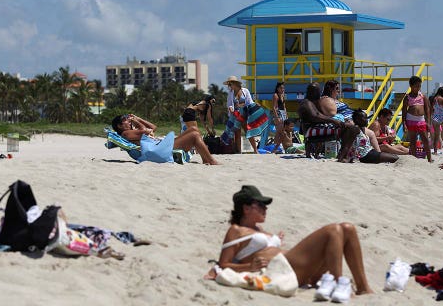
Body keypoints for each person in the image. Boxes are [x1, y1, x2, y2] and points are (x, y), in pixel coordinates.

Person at [218, 185, 373, 303]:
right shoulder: (236, 230)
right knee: (333, 230)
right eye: (261, 205)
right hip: (283, 270)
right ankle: (339, 283)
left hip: (297, 269)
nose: (265, 209)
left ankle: (363, 288)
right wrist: (248, 267)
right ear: (245, 208)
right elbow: (223, 264)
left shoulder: (258, 229)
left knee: (348, 228)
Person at [111, 114, 219, 165]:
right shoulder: (125, 133)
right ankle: (211, 160)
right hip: (159, 150)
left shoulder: (131, 131)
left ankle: (206, 159)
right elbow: (145, 131)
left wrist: (138, 118)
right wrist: (136, 122)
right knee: (194, 135)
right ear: (119, 126)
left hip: (159, 146)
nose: (128, 120)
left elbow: (153, 128)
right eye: (125, 119)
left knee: (193, 129)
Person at [297, 82, 358, 162]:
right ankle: (343, 156)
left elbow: (319, 115)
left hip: (318, 126)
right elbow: (316, 116)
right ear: (312, 92)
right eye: (317, 91)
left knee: (351, 127)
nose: (319, 93)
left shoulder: (313, 102)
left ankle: (343, 154)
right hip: (311, 130)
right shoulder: (306, 103)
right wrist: (333, 120)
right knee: (352, 129)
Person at [222, 76, 270, 153]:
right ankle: (239, 151)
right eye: (229, 85)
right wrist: (231, 108)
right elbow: (229, 104)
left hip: (245, 113)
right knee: (237, 133)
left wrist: (255, 105)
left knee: (248, 131)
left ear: (235, 84)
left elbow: (249, 102)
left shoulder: (245, 91)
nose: (229, 86)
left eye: (230, 84)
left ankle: (255, 150)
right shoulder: (230, 93)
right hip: (236, 115)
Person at [402, 76, 432, 162]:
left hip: (421, 120)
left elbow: (427, 110)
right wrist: (403, 124)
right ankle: (414, 159)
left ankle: (430, 159)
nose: (418, 88)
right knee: (413, 141)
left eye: (419, 86)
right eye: (416, 86)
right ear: (411, 86)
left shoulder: (423, 96)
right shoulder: (407, 97)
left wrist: (428, 123)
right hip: (410, 120)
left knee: (425, 140)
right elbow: (404, 111)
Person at [270, 82, 288, 153]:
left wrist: (286, 114)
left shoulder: (282, 95)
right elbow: (274, 107)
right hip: (278, 113)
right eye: (281, 88)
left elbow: (284, 106)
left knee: (282, 131)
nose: (283, 89)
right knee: (279, 131)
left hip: (283, 113)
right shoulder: (275, 95)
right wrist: (276, 117)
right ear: (277, 89)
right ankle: (275, 147)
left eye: (283, 88)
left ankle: (278, 147)